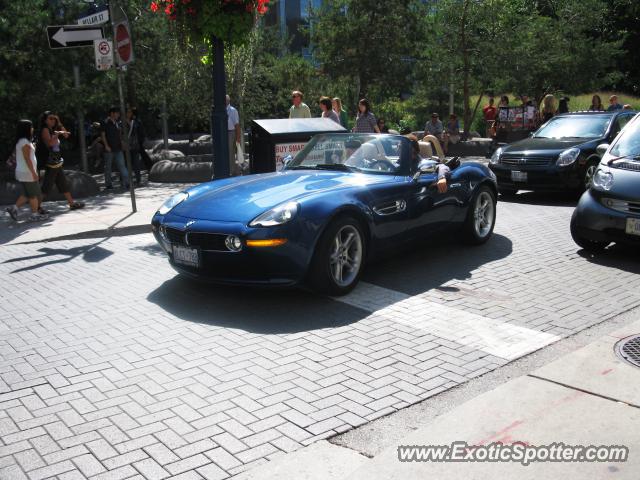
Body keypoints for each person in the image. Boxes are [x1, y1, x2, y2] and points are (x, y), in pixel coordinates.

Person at [37, 112, 84, 210]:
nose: (53, 120)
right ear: (45, 120)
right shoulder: (45, 129)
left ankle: (71, 203)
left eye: (54, 118)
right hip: (51, 161)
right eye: (50, 118)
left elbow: (66, 135)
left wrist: (60, 124)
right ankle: (36, 206)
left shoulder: (52, 129)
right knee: (47, 184)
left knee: (62, 182)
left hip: (56, 160)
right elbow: (50, 143)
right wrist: (56, 135)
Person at [5, 120, 48, 222]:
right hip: (27, 172)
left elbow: (28, 155)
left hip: (24, 172)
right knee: (34, 195)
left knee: (27, 194)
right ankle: (34, 215)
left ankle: (13, 209)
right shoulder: (24, 142)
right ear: (26, 129)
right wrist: (33, 172)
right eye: (31, 126)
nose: (32, 128)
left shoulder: (23, 141)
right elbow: (27, 159)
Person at [101, 107, 130, 190]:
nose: (118, 115)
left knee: (122, 165)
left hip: (118, 148)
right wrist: (106, 146)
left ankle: (127, 183)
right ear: (112, 113)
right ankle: (108, 184)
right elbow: (103, 135)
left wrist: (122, 142)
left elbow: (119, 134)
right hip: (109, 149)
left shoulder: (117, 123)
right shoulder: (105, 122)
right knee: (108, 167)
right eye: (117, 113)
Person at [126, 107, 146, 185]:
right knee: (128, 164)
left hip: (135, 146)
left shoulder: (136, 122)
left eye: (130, 112)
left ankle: (138, 179)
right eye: (127, 112)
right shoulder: (121, 122)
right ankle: (128, 180)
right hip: (126, 147)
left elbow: (139, 131)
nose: (128, 114)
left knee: (136, 163)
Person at [226, 95, 242, 176]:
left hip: (230, 133)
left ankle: (231, 171)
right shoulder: (222, 110)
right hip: (223, 133)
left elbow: (237, 125)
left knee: (230, 152)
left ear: (228, 101)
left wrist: (238, 138)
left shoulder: (233, 110)